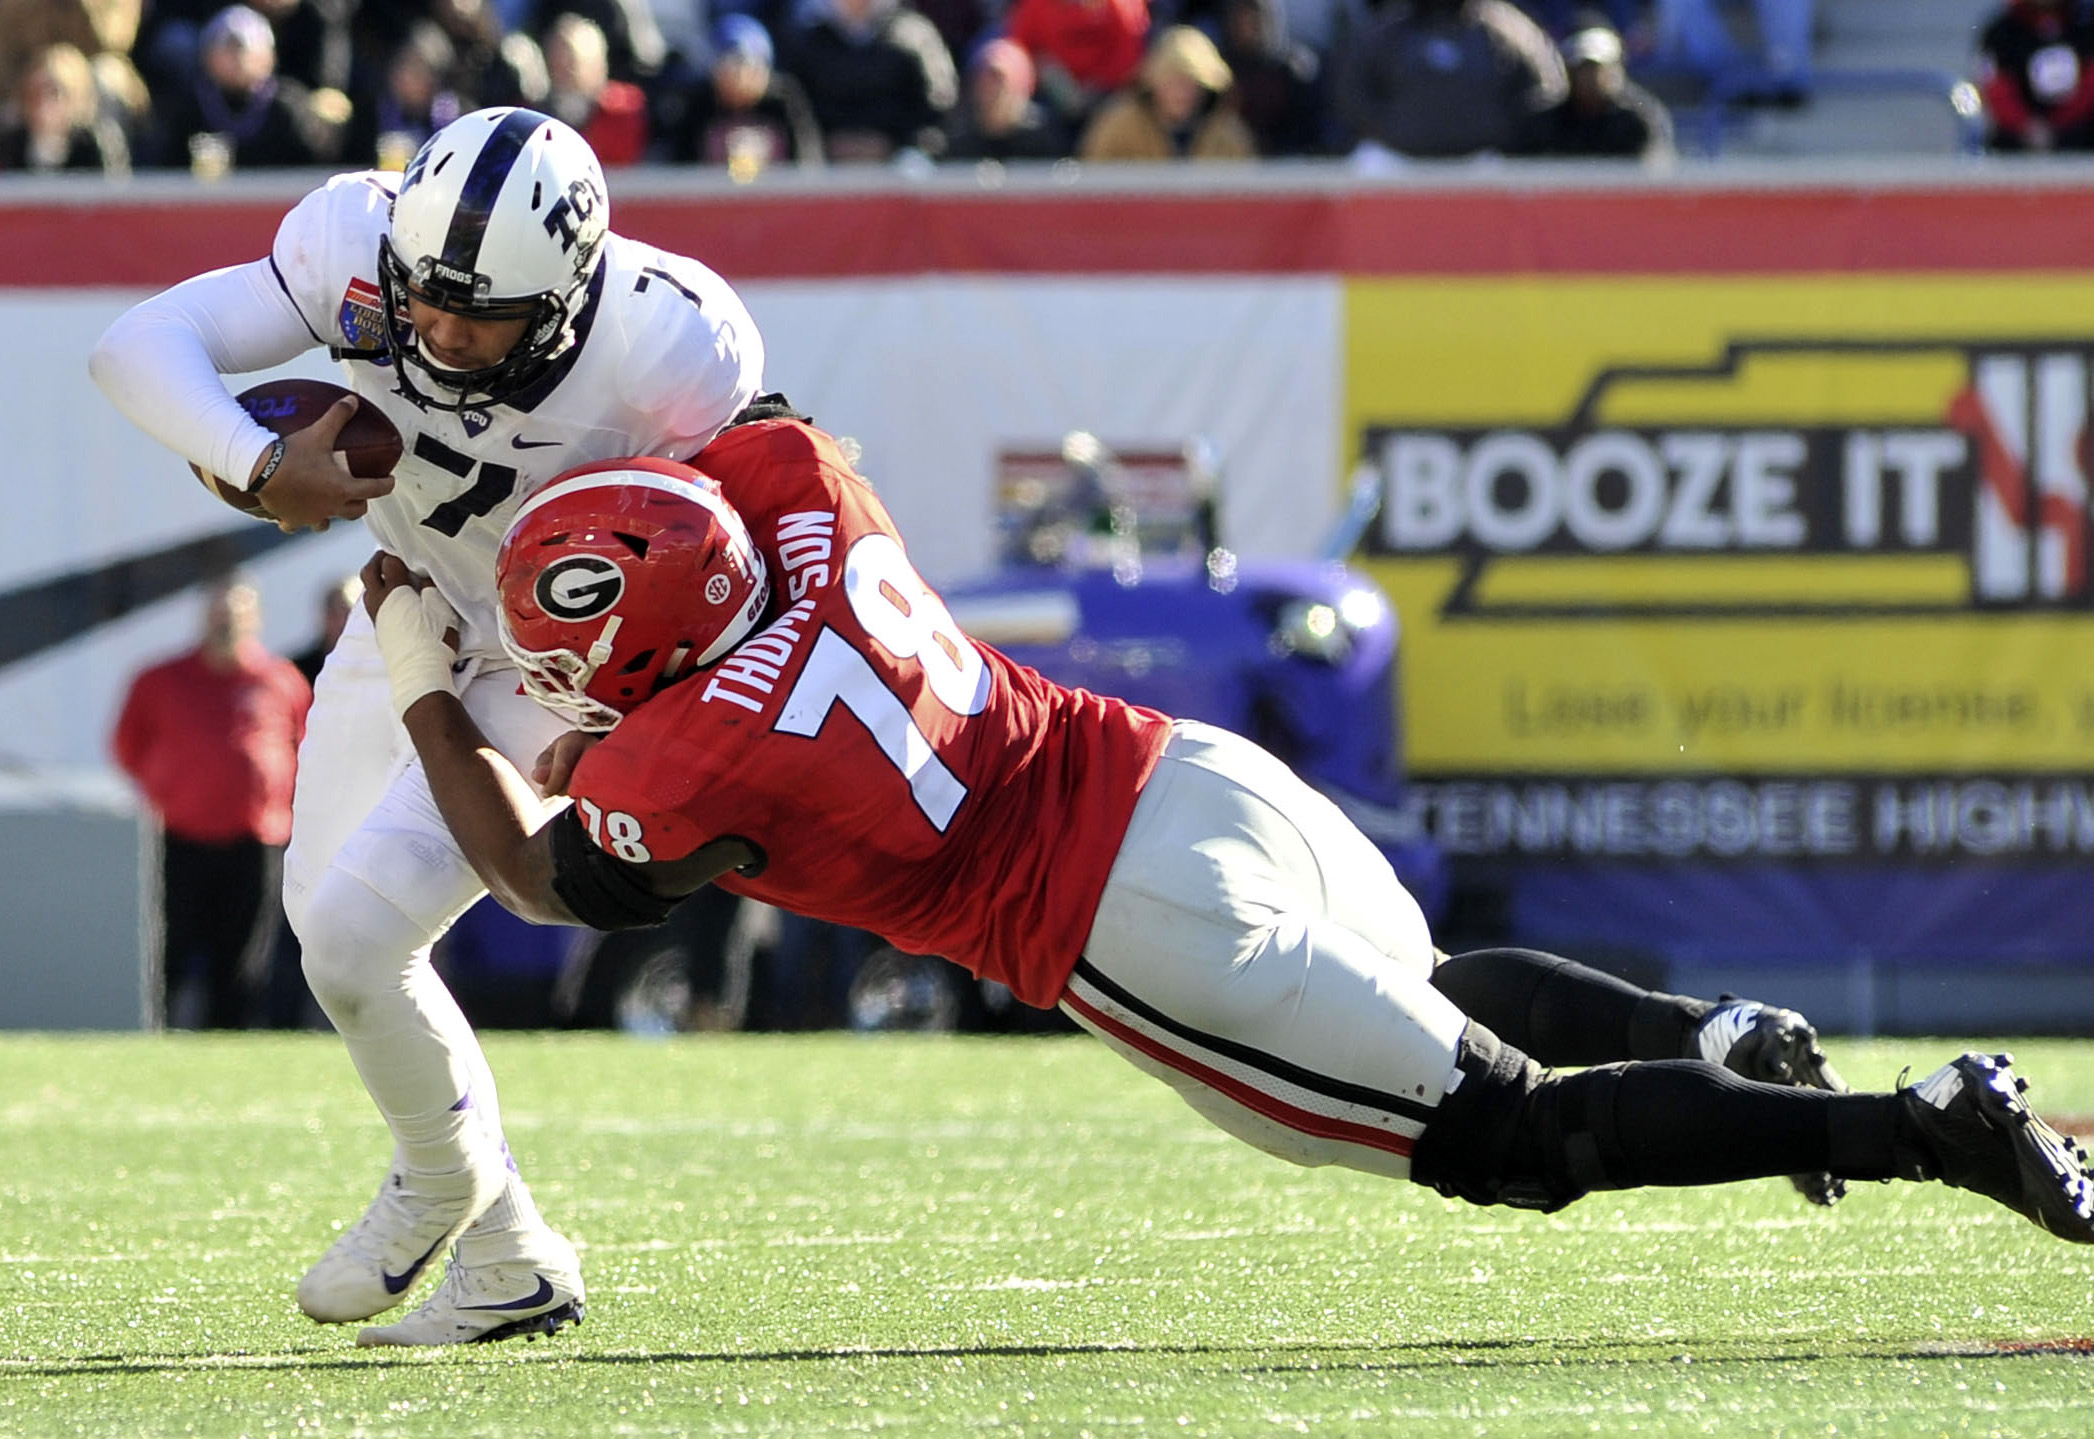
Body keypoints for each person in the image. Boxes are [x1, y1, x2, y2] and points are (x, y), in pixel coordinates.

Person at [359, 421, 2094, 1322]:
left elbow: (527, 869)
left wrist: (423, 677)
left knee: (1508, 1140)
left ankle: (1914, 1125)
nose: (578, 695)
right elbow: (753, 428)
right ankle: (1703, 1027)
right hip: (1176, 772)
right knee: (1425, 999)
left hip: (1120, 916)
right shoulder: (794, 502)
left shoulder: (691, 750)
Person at [88, 106, 766, 1346]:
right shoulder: (358, 235)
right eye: (427, 301)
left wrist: (644, 712)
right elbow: (140, 345)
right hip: (403, 606)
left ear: (565, 299)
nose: (443, 333)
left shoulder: (673, 341)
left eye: (483, 314)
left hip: (558, 656)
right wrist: (251, 458)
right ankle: (508, 1248)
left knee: (354, 939)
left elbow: (739, 541)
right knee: (324, 934)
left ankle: (442, 1183)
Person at [113, 577, 311, 1031]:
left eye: (236, 615)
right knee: (169, 949)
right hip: (178, 836)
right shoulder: (161, 679)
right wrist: (167, 789)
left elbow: (306, 744)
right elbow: (128, 746)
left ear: (254, 620)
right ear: (203, 619)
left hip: (255, 838)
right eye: (218, 615)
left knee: (242, 956)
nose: (226, 624)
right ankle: (155, 1033)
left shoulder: (279, 680)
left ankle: (230, 1040)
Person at [1332, 0, 1565, 160]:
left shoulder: (1505, 28)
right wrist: (1388, 129)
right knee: (1365, 164)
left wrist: (1502, 127)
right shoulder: (1386, 31)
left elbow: (1547, 86)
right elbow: (1351, 91)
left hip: (1483, 160)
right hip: (1396, 159)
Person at [667, 14, 825, 170]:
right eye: (731, 69)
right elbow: (680, 168)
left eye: (750, 70)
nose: (741, 79)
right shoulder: (698, 105)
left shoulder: (783, 100)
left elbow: (809, 162)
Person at [1078, 26, 1256, 162]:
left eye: (1190, 83)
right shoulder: (1118, 127)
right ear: (1153, 84)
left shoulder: (1228, 137)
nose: (1181, 93)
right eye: (1172, 82)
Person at [1521, 22, 1672, 161]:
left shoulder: (1638, 120)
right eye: (1582, 69)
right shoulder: (1547, 122)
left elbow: (1651, 173)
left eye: (1596, 68)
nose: (1589, 77)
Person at [1976, 0, 2094, 152]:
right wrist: (2025, 126)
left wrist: (2060, 124)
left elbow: (2091, 84)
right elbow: (1997, 89)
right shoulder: (2002, 32)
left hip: (2082, 135)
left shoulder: (2085, 23)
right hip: (2019, 139)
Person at [939, 36, 1069, 161]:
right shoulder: (959, 139)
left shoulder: (1042, 136)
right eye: (983, 79)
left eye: (999, 80)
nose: (990, 88)